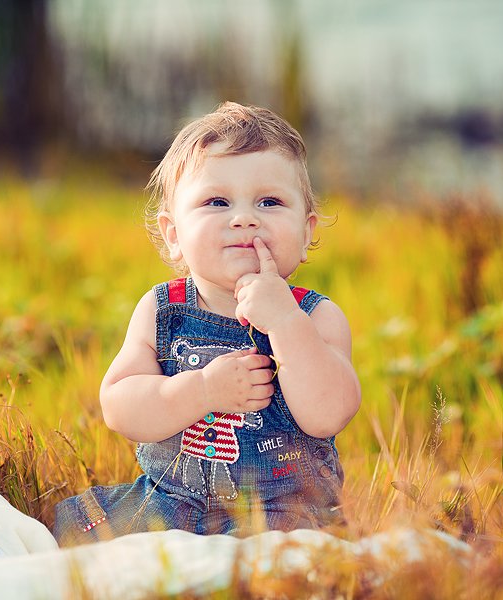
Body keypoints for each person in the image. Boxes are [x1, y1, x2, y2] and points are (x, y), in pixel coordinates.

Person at [53, 101, 361, 546]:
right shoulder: (162, 310)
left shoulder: (316, 316)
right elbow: (119, 406)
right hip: (171, 503)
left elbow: (330, 413)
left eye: (269, 201)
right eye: (217, 201)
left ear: (307, 230)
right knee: (70, 530)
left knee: (299, 558)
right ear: (174, 234)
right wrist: (202, 391)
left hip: (287, 515)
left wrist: (285, 322)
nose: (244, 218)